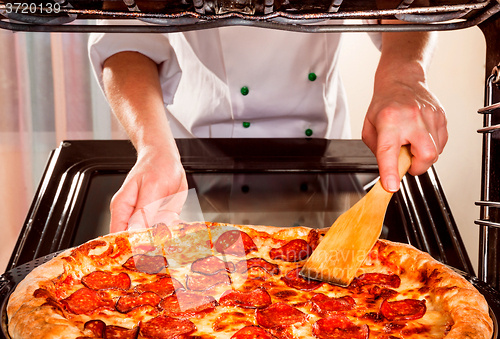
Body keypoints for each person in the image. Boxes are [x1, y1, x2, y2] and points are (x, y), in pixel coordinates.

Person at [88, 17, 447, 233]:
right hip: (188, 166)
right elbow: (125, 40)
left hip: (323, 158)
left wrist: (403, 76)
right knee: (195, 317)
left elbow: (408, 9)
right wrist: (153, 148)